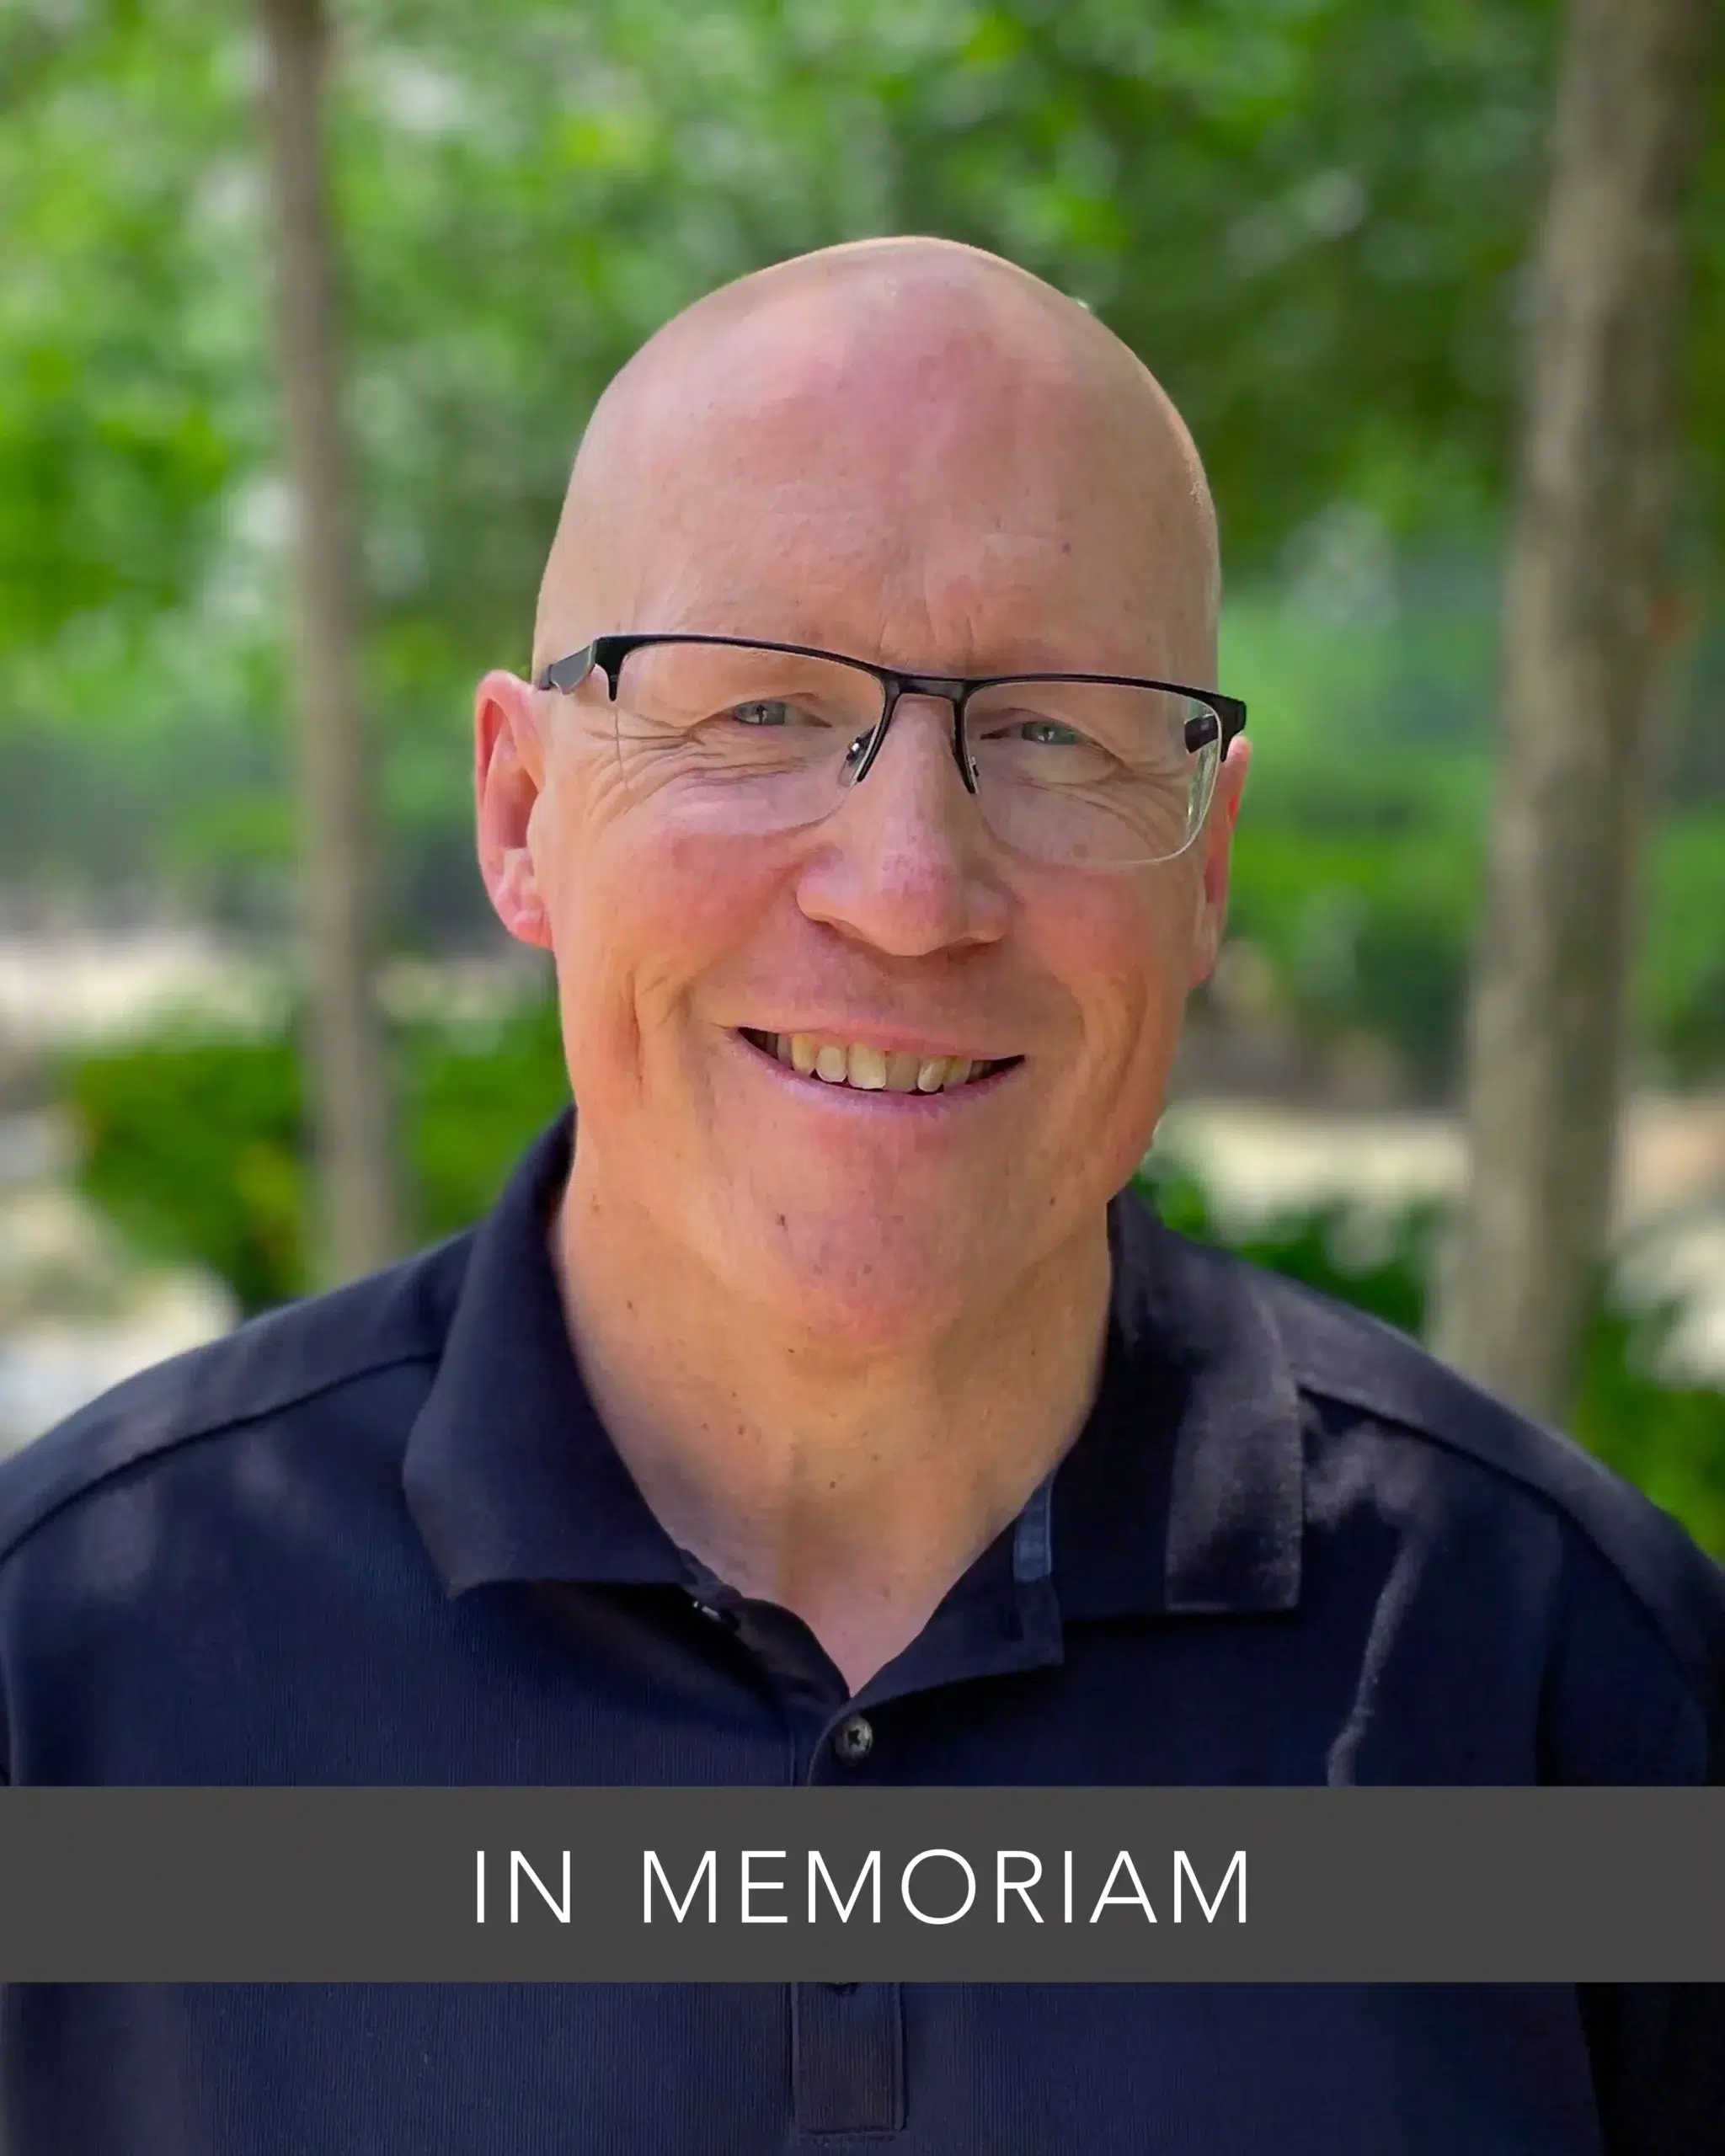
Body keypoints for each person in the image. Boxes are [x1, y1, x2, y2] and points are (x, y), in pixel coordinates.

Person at [1, 235, 1721, 2154]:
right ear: (517, 813)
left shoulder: (1579, 1700)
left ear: (1208, 862)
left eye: (1054, 728)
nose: (907, 889)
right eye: (753, 709)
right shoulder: (70, 1683)